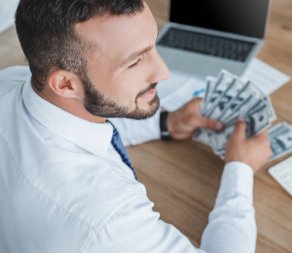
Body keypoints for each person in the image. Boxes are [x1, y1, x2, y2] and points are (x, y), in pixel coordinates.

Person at [0, 0, 272, 252]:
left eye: (153, 46)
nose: (163, 72)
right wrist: (240, 167)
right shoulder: (109, 222)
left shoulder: (11, 83)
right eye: (135, 61)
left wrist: (167, 123)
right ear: (66, 84)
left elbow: (87, 119)